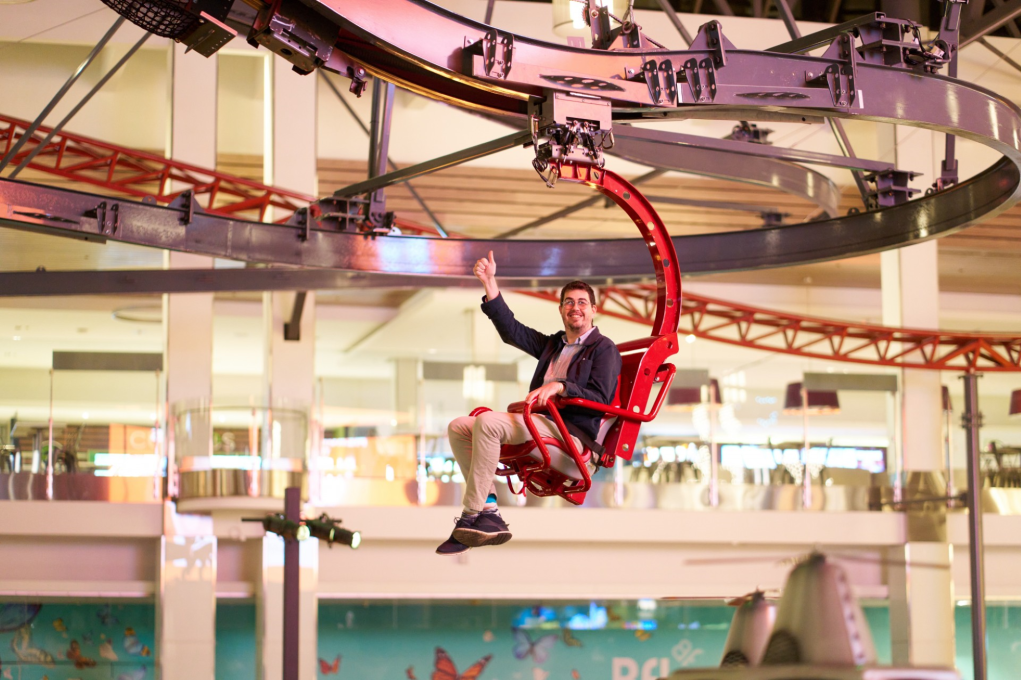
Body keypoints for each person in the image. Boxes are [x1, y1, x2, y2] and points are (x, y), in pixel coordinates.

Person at [437, 251, 622, 556]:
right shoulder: (554, 345)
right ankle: (489, 507)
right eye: (569, 302)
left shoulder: (604, 350)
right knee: (459, 427)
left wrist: (560, 386)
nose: (575, 308)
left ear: (593, 310)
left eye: (582, 303)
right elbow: (512, 331)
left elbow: (600, 397)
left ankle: (471, 515)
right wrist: (489, 282)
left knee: (488, 422)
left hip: (571, 435)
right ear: (561, 310)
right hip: (541, 424)